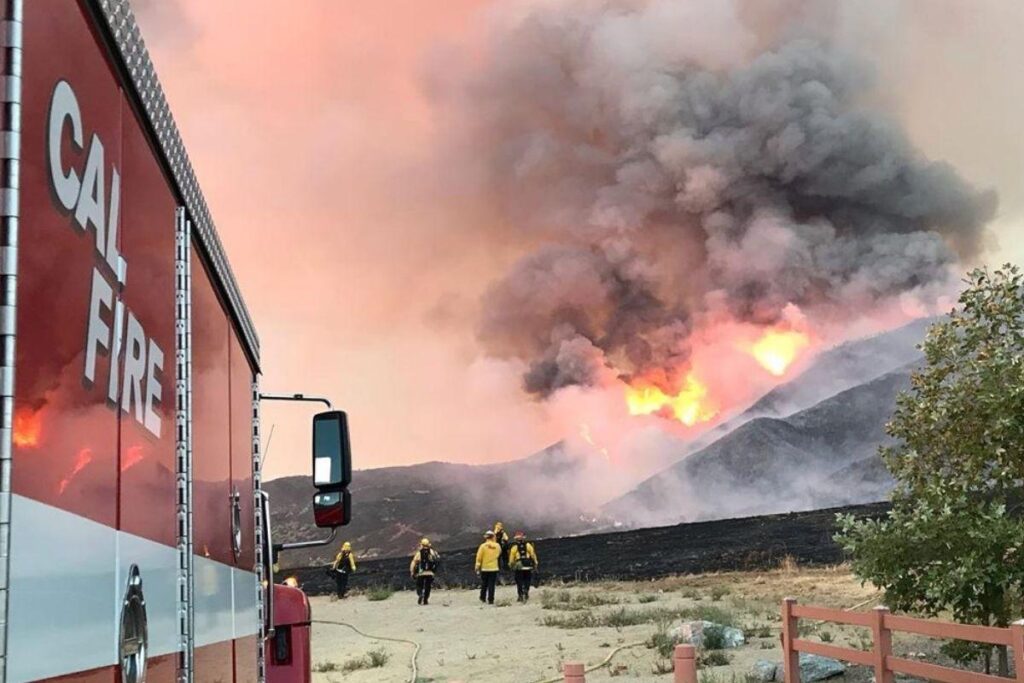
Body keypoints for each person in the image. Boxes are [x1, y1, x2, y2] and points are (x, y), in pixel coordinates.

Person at [508, 531, 538, 602]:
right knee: (527, 579)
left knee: (519, 581)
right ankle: (526, 591)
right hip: (527, 565)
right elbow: (533, 555)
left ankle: (520, 595)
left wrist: (510, 565)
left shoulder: (514, 547)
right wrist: (536, 563)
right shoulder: (528, 545)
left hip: (519, 566)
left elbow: (511, 558)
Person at [409, 538, 441, 605]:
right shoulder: (433, 552)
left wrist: (412, 572)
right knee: (428, 586)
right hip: (430, 573)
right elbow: (437, 560)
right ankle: (426, 600)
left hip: (420, 573)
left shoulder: (419, 553)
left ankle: (420, 594)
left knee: (419, 585)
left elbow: (413, 563)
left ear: (421, 545)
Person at [474, 530, 502, 604]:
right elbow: (499, 554)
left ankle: (482, 597)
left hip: (485, 568)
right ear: (493, 537)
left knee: (484, 583)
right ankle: (491, 599)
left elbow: (479, 557)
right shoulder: (497, 546)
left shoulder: (483, 546)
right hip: (494, 568)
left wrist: (477, 567)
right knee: (491, 584)